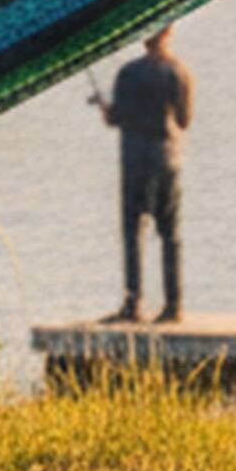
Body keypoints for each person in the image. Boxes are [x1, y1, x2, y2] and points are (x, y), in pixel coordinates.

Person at [88, 27, 194, 322]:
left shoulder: (127, 73)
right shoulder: (179, 72)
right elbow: (184, 120)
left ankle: (133, 304)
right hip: (167, 159)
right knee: (170, 234)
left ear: (143, 37)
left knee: (132, 232)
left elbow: (116, 118)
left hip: (134, 160)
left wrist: (103, 108)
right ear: (169, 33)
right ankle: (173, 306)